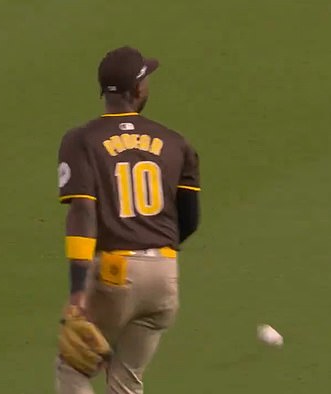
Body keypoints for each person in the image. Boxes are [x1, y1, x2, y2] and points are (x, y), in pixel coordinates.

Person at [55, 46, 201, 394]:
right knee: (127, 381)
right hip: (165, 277)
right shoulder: (175, 143)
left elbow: (83, 211)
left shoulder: (82, 140)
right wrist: (154, 252)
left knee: (72, 367)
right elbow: (191, 219)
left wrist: (78, 289)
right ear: (137, 91)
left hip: (114, 274)